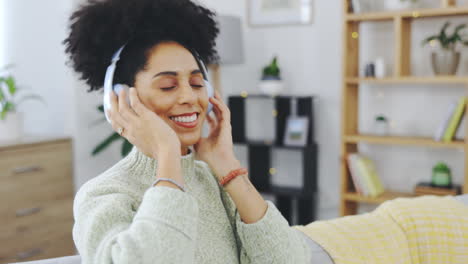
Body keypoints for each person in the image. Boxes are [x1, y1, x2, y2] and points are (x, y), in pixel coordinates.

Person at [63, 0, 312, 263]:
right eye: (168, 86)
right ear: (120, 99)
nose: (189, 97)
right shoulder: (103, 194)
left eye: (196, 83)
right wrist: (167, 154)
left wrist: (228, 168)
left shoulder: (217, 181)